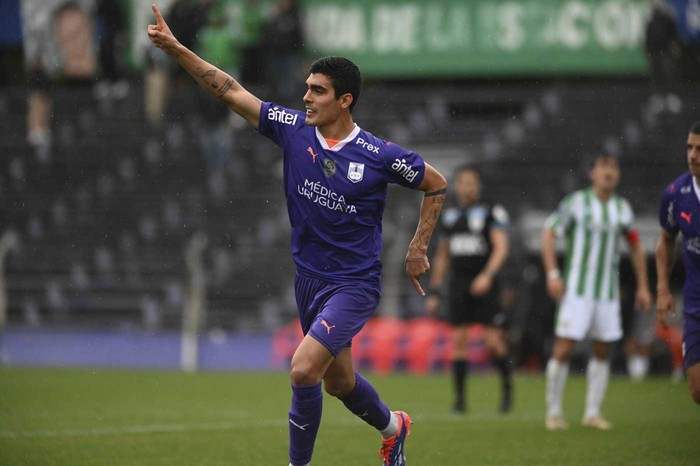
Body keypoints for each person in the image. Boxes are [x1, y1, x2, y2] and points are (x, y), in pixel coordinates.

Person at [147, 5, 448, 465]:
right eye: (306, 87)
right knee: (339, 382)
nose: (306, 96)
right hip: (309, 280)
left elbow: (436, 182)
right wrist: (174, 48)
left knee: (304, 370)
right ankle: (394, 427)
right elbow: (227, 89)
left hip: (354, 283)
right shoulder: (291, 130)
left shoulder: (378, 154)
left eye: (318, 90)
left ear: (344, 100)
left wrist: (417, 248)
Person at [541, 154, 652, 431]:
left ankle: (592, 412)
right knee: (564, 348)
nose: (609, 173)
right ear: (592, 173)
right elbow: (548, 232)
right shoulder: (577, 203)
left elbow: (636, 245)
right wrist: (553, 273)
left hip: (607, 293)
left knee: (603, 350)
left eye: (613, 168)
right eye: (603, 167)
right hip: (576, 290)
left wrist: (643, 285)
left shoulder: (622, 209)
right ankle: (553, 413)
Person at [425, 166, 513, 413]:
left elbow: (501, 247)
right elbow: (443, 256)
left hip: (487, 283)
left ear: (479, 185)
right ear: (456, 186)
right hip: (459, 284)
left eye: (471, 182)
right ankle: (459, 400)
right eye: (463, 182)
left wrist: (488, 275)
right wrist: (434, 290)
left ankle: (507, 390)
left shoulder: (491, 210)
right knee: (459, 340)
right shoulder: (450, 215)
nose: (467, 187)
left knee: (493, 341)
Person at [656, 121, 700, 405]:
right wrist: (662, 288)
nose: (693, 155)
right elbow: (665, 241)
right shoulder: (676, 194)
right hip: (696, 303)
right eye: (689, 147)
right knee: (697, 392)